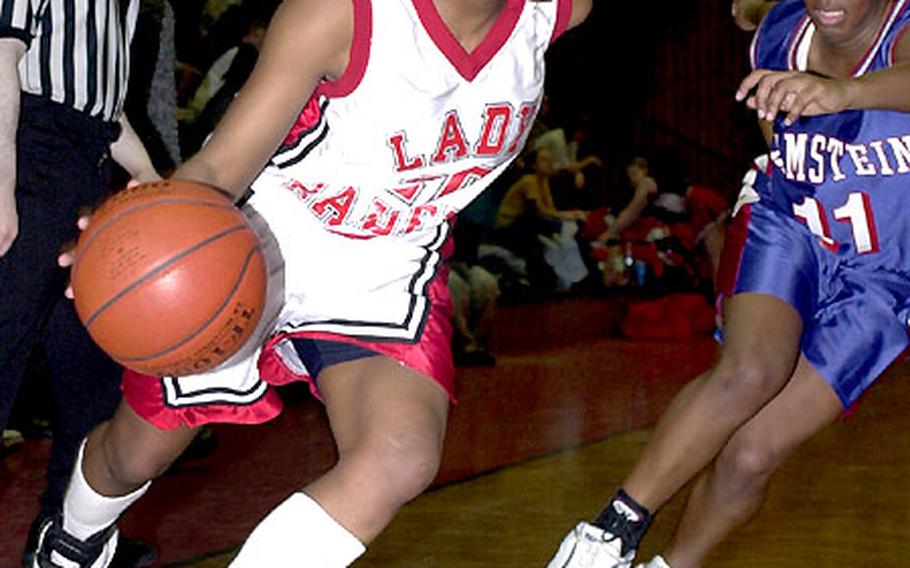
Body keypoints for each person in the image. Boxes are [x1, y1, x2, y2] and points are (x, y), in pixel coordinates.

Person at [35, 0, 592, 566]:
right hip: (258, 235)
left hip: (386, 262)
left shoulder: (556, 12)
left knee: (400, 454)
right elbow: (221, 168)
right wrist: (135, 243)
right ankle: (72, 541)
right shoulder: (339, 14)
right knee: (136, 455)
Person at [547, 0, 910, 566]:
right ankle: (605, 536)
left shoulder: (902, 29)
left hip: (887, 273)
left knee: (752, 453)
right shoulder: (781, 30)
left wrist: (845, 94)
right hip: (793, 219)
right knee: (749, 371)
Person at [0, 0, 162, 566]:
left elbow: (99, 109)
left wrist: (148, 175)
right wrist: (2, 184)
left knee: (92, 372)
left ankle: (65, 542)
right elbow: (3, 54)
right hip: (28, 151)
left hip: (85, 163)